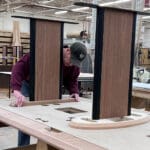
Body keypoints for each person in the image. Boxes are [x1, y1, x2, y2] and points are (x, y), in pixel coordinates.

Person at [10, 42, 87, 146]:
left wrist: (74, 92)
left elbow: (72, 80)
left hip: (50, 87)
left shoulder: (73, 65)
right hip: (29, 84)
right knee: (25, 117)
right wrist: (16, 90)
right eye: (71, 60)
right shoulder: (44, 52)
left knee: (50, 117)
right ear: (67, 51)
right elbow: (18, 68)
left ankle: (45, 146)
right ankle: (23, 146)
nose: (72, 64)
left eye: (75, 62)